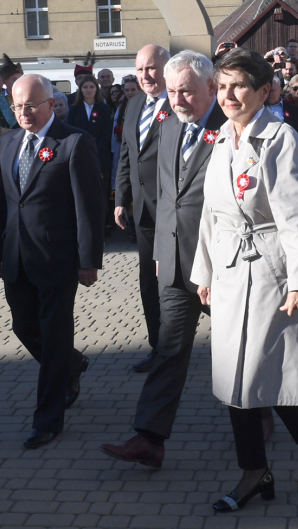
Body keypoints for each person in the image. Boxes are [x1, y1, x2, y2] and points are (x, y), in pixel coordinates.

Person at [190, 48, 298, 512]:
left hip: (272, 270)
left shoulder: (280, 138)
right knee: (236, 378)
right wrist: (205, 273)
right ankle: (258, 469)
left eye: (240, 86)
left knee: (259, 372)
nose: (229, 95)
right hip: (231, 271)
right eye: (224, 85)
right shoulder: (220, 140)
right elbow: (211, 215)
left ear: (262, 91)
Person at [101, 50, 227, 469]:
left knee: (236, 353)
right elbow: (166, 198)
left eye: (187, 91)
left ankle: (261, 417)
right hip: (175, 263)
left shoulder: (231, 129)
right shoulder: (169, 127)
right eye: (173, 92)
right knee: (169, 350)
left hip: (223, 266)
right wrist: (161, 252)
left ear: (211, 88)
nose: (178, 100)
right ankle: (149, 438)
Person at [0, 73, 103, 449]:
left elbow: (89, 207)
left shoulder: (73, 142)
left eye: (31, 106)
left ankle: (48, 419)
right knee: (23, 326)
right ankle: (71, 364)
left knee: (53, 337)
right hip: (15, 255)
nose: (24, 113)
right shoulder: (7, 142)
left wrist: (89, 260)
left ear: (51, 104)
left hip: (57, 258)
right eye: (17, 106)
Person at [114, 44, 172, 372]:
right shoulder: (134, 103)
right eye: (140, 70)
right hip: (143, 211)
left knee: (180, 280)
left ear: (166, 68)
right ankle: (158, 347)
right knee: (148, 281)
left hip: (174, 210)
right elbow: (126, 153)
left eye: (151, 68)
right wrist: (121, 198)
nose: (145, 76)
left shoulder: (180, 103)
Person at [66, 74, 113, 231]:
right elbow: (70, 132)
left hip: (100, 157)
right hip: (80, 156)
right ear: (80, 89)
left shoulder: (104, 109)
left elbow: (107, 134)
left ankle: (103, 224)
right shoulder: (73, 109)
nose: (88, 90)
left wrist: (93, 147)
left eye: (92, 87)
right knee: (83, 193)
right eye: (85, 87)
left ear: (96, 88)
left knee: (101, 192)